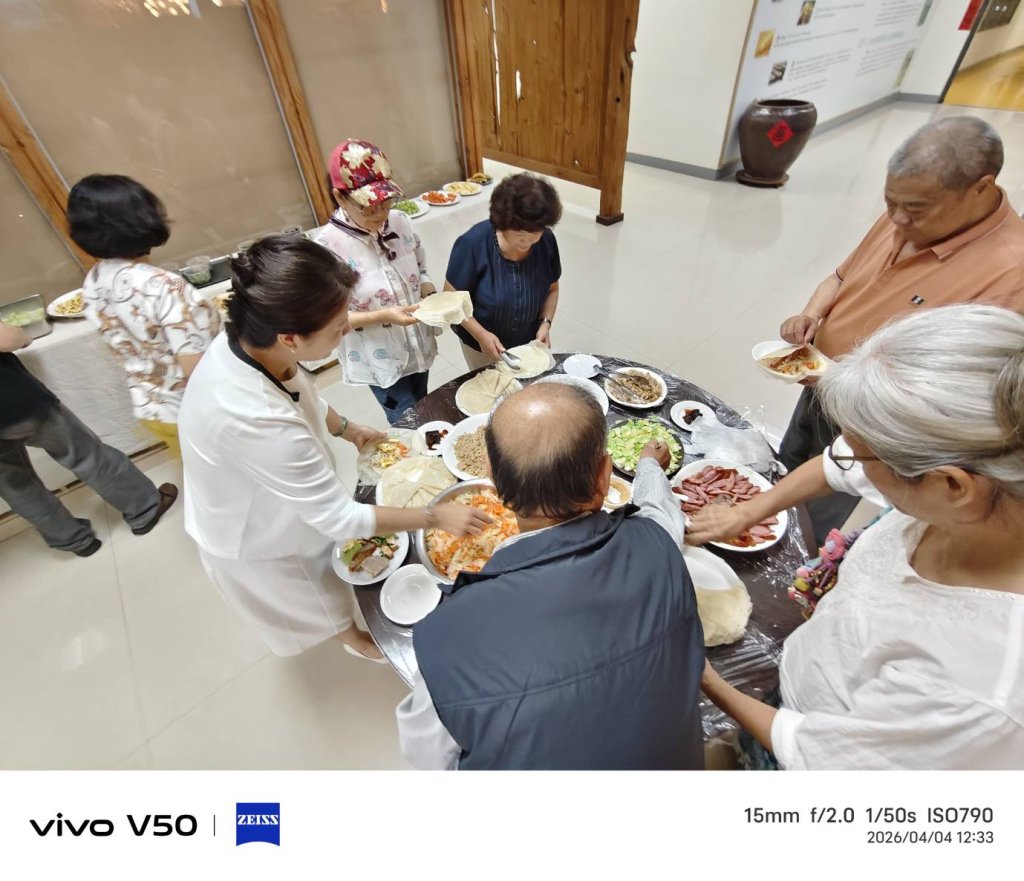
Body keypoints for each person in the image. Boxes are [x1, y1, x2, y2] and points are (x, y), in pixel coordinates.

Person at [694, 305, 1024, 769]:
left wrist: (707, 681)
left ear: (950, 485)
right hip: (803, 677)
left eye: (862, 455)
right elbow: (835, 464)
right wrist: (750, 509)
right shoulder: (989, 493)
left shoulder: (981, 691)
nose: (847, 459)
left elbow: (823, 757)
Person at [178, 235, 489, 661]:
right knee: (310, 595)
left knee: (322, 567)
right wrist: (436, 515)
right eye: (339, 328)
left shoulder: (255, 343)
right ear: (290, 337)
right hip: (248, 525)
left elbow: (295, 386)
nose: (346, 332)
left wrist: (346, 428)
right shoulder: (254, 418)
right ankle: (357, 640)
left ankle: (347, 625)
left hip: (268, 486)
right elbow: (340, 518)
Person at [397, 383, 705, 769]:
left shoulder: (444, 636)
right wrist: (647, 463)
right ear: (604, 478)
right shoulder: (657, 541)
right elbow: (659, 506)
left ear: (493, 481)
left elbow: (425, 755)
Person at [775, 116, 1024, 544]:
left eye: (915, 208)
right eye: (890, 202)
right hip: (818, 383)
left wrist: (847, 383)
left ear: (981, 188)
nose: (896, 218)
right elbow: (840, 277)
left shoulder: (1011, 273)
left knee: (820, 506)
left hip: (877, 422)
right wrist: (811, 314)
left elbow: (957, 399)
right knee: (785, 466)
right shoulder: (903, 213)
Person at [68, 174, 219, 456]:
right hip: (198, 411)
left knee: (207, 481)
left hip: (153, 409)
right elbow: (197, 370)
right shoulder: (165, 286)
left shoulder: (93, 281)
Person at [0, 323, 178, 557]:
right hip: (15, 404)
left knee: (15, 485)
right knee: (84, 455)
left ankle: (73, 540)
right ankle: (145, 509)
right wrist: (21, 335)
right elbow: (9, 339)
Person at [312, 139, 439, 424]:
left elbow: (420, 269)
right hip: (380, 360)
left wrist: (429, 291)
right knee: (408, 423)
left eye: (385, 203)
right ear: (340, 197)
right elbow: (328, 319)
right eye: (368, 209)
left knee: (426, 408)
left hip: (417, 345)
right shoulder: (327, 247)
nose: (381, 215)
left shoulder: (400, 222)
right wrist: (384, 315)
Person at [444, 173, 562, 370]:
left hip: (528, 342)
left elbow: (552, 289)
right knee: (491, 392)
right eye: (519, 234)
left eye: (535, 233)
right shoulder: (473, 243)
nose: (528, 241)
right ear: (502, 224)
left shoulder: (547, 241)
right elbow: (451, 299)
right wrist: (481, 335)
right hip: (482, 344)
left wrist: (545, 323)